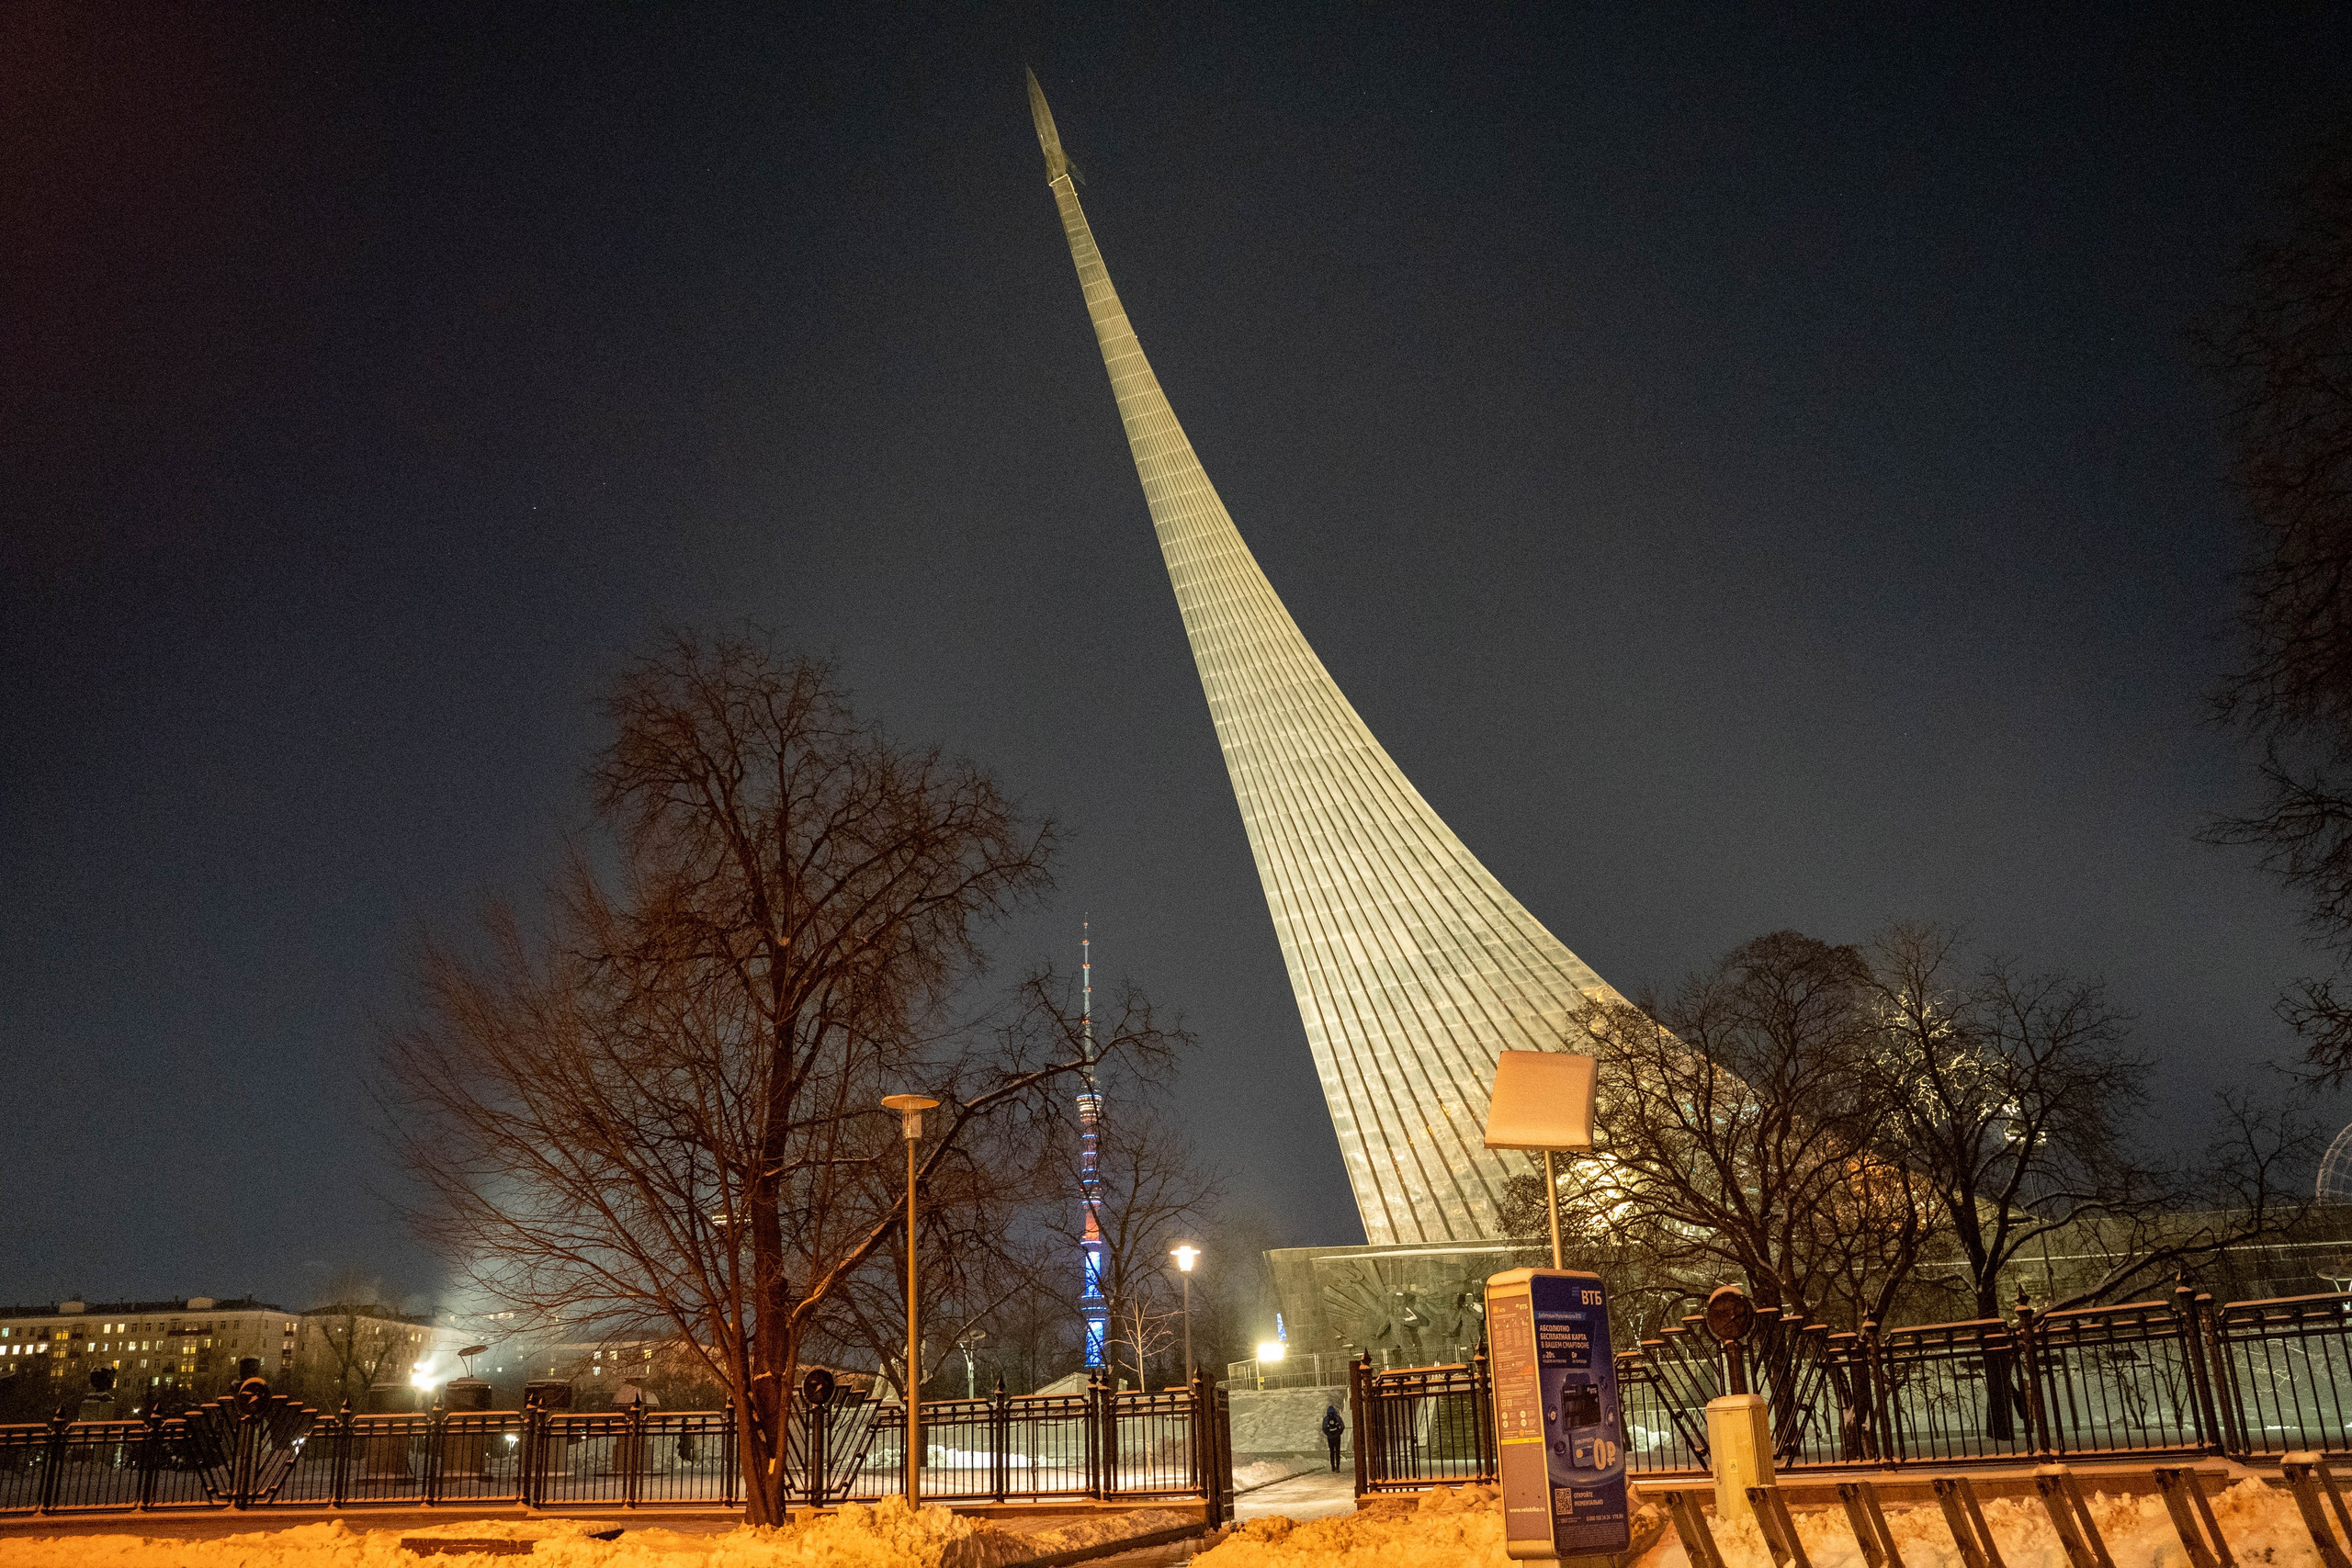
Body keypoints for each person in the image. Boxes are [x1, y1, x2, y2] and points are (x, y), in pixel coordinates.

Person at [1321, 1404, 1345, 1472]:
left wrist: (1328, 1434)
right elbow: (1342, 1426)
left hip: (1330, 1438)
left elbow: (1324, 1428)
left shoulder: (1326, 1418)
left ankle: (1333, 1467)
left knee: (1332, 1452)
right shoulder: (1337, 1417)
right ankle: (1338, 1467)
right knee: (1337, 1452)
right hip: (1337, 1437)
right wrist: (1339, 1433)